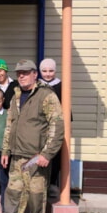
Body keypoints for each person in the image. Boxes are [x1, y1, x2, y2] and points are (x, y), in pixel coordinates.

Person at [0, 59, 64, 213]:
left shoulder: (46, 95)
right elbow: (9, 125)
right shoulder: (16, 96)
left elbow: (57, 126)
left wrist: (47, 153)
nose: (22, 76)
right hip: (17, 157)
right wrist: (5, 150)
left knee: (36, 200)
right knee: (12, 197)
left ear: (35, 74)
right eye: (19, 73)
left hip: (36, 159)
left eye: (26, 73)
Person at [39, 58, 70, 198]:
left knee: (55, 154)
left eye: (51, 71)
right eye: (44, 71)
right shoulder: (37, 85)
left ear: (55, 71)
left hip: (56, 124)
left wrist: (66, 125)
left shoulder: (61, 86)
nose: (48, 74)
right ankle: (41, 183)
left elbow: (66, 107)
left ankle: (52, 184)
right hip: (41, 125)